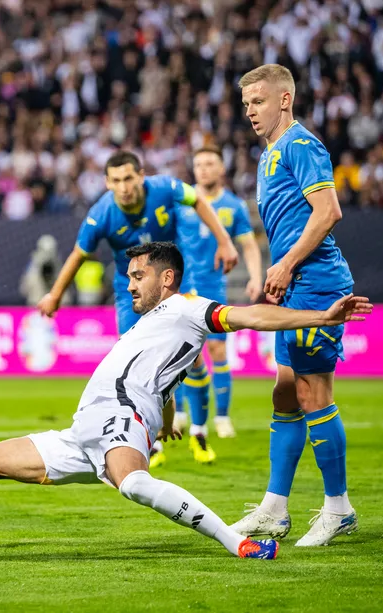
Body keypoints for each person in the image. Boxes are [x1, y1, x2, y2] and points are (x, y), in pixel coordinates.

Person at [0, 242, 371, 558]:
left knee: (134, 484)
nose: (130, 283)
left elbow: (251, 317)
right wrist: (162, 424)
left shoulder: (187, 307)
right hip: (85, 430)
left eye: (138, 275)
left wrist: (319, 316)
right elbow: (164, 384)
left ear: (166, 280)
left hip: (117, 417)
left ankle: (238, 543)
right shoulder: (154, 325)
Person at [231, 64, 357, 547]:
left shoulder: (301, 146)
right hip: (294, 283)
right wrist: (280, 269)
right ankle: (274, 508)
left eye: (258, 102)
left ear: (284, 100)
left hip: (316, 284)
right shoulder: (270, 156)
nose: (250, 113)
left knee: (312, 394)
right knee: (285, 393)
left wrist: (283, 267)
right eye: (246, 105)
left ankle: (337, 508)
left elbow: (329, 211)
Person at [36, 150, 239, 335]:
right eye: (116, 180)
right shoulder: (100, 215)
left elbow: (197, 199)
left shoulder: (164, 188)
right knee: (130, 349)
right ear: (107, 182)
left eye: (128, 178)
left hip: (174, 278)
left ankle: (198, 371)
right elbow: (78, 255)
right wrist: (55, 296)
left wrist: (225, 242)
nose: (123, 188)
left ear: (141, 176)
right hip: (132, 286)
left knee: (185, 344)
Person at [158, 145, 263, 468]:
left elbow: (248, 244)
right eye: (198, 164)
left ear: (221, 168)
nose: (203, 169)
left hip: (213, 288)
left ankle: (222, 416)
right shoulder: (181, 203)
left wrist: (256, 278)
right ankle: (185, 415)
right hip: (181, 289)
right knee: (185, 354)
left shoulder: (233, 206)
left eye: (210, 163)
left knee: (217, 352)